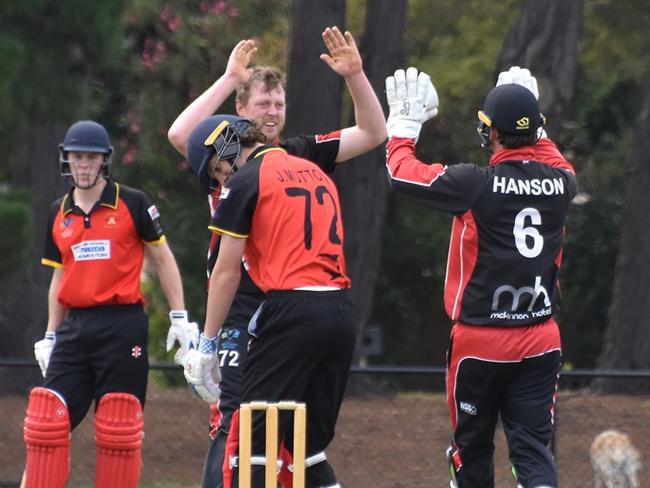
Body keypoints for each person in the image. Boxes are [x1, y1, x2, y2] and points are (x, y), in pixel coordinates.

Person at [167, 26, 385, 488]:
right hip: (252, 306)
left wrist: (356, 76)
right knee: (247, 427)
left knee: (260, 432)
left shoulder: (292, 154)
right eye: (262, 103)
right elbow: (182, 134)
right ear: (239, 113)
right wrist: (228, 78)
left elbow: (372, 132)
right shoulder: (223, 149)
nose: (272, 112)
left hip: (275, 304)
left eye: (279, 104)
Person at [384, 67, 577, 488]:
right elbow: (550, 154)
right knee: (533, 452)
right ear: (538, 131)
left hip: (480, 342)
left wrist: (402, 127)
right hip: (541, 338)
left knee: (471, 453)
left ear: (490, 132)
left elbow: (401, 172)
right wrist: (534, 124)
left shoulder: (475, 184)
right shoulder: (563, 183)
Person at [182, 114, 356, 488]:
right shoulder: (312, 170)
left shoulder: (245, 180)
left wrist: (207, 343)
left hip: (290, 311)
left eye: (219, 168)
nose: (222, 180)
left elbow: (226, 272)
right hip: (340, 312)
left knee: (247, 444)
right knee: (306, 447)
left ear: (228, 146)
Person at [23, 120, 198, 488]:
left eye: (91, 158)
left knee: (119, 426)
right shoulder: (59, 212)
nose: (83, 165)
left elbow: (163, 259)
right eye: (76, 157)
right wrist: (51, 335)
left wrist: (179, 316)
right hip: (75, 330)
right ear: (66, 160)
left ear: (104, 161)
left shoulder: (132, 202)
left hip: (122, 326)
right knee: (45, 422)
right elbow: (59, 277)